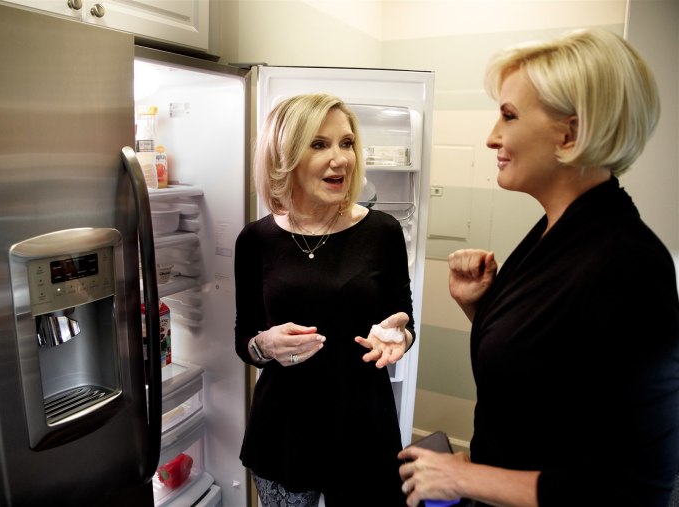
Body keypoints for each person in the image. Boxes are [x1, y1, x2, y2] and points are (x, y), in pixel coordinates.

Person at [398, 28, 679, 507]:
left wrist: (465, 479)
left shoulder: (627, 264)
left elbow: (636, 487)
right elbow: (553, 373)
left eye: (508, 115)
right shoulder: (557, 230)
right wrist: (481, 307)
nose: (492, 137)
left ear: (570, 133)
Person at [234, 92, 416, 506]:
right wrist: (263, 345)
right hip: (284, 428)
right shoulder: (256, 240)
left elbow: (404, 324)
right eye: (320, 144)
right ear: (285, 156)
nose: (341, 159)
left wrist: (398, 340)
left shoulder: (383, 232)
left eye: (347, 143)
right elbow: (245, 339)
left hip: (363, 425)